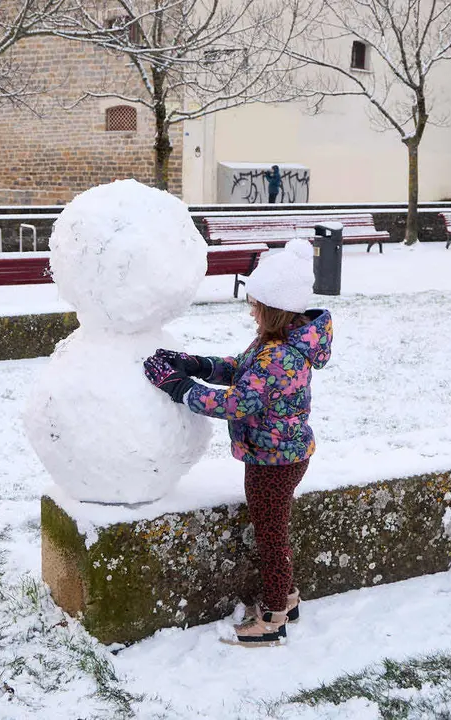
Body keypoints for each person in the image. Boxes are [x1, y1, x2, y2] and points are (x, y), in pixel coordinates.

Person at [142, 238, 332, 647]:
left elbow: (239, 402)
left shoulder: (279, 355)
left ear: (274, 309)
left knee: (271, 537)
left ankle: (274, 617)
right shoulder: (276, 344)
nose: (251, 311)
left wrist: (180, 388)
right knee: (273, 530)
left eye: (256, 305)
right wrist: (197, 364)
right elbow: (241, 371)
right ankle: (288, 599)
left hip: (274, 462)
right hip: (280, 453)